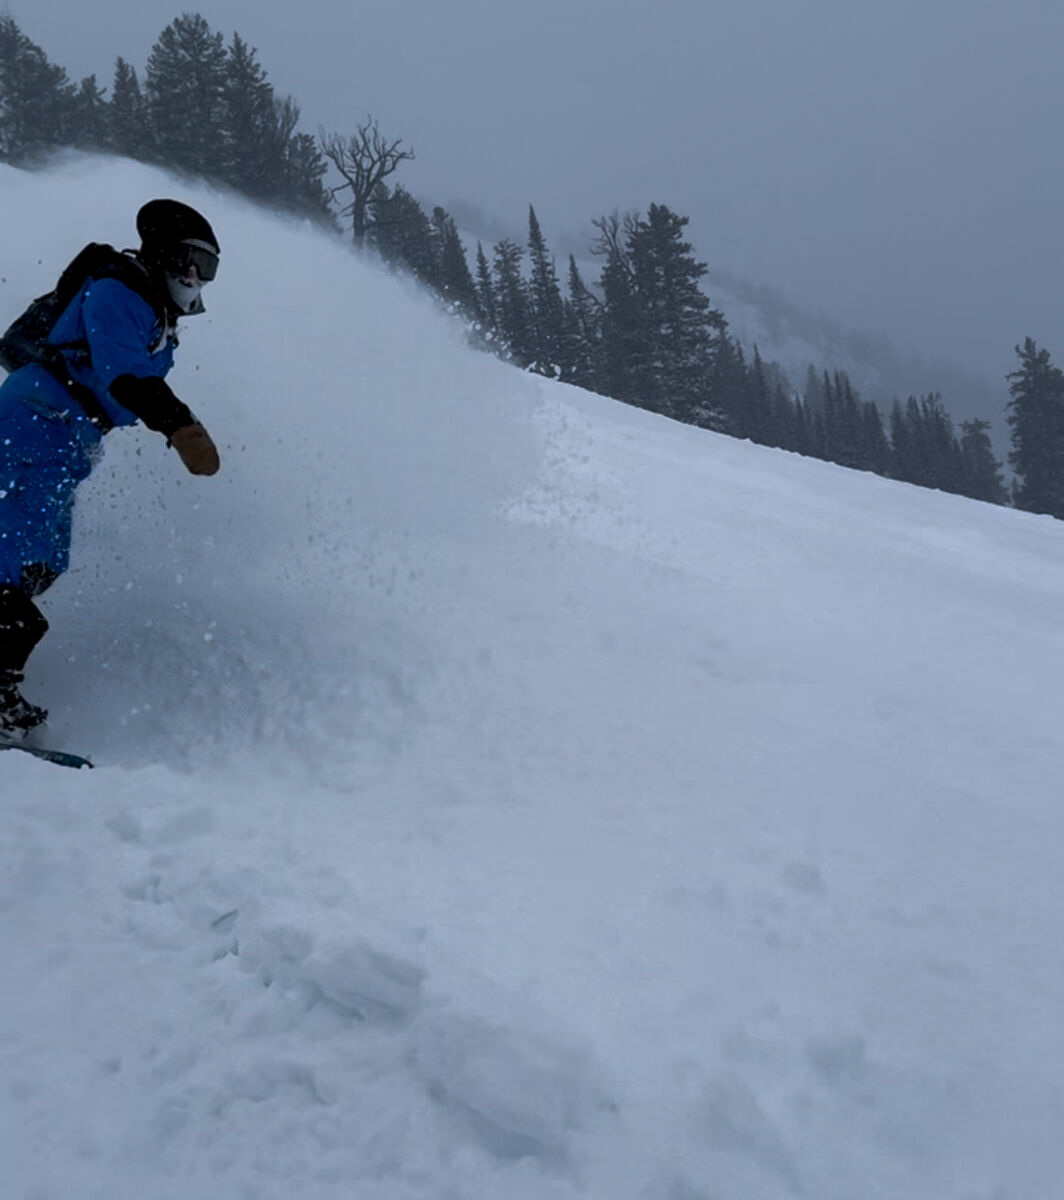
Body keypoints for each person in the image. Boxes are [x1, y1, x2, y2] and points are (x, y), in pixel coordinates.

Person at [0, 198, 222, 742]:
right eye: (190, 260)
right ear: (163, 254)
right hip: (36, 424)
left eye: (209, 267)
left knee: (43, 561)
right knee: (9, 552)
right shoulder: (117, 291)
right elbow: (123, 376)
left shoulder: (155, 315)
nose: (196, 276)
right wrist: (180, 425)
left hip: (68, 440)